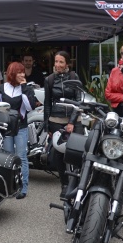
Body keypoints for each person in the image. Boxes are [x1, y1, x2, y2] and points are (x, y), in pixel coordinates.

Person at [0, 62, 40, 199]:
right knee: (7, 156)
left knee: (21, 157)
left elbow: (30, 107)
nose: (22, 74)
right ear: (12, 73)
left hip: (21, 127)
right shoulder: (2, 88)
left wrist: (25, 87)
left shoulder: (26, 89)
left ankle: (23, 187)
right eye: (19, 72)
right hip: (6, 127)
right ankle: (8, 186)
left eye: (23, 72)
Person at [43, 51, 81, 197]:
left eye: (61, 62)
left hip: (74, 119)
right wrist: (47, 126)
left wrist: (71, 122)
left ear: (67, 64)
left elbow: (78, 101)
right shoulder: (49, 79)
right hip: (56, 119)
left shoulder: (74, 77)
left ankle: (77, 184)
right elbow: (47, 104)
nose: (58, 65)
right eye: (56, 62)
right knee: (59, 154)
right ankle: (64, 184)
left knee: (77, 152)